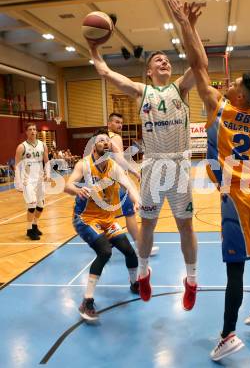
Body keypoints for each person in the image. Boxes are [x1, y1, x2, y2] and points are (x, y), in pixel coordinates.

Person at [168, 0, 250, 361]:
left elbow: (198, 66)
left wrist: (188, 25)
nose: (229, 86)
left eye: (235, 87)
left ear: (242, 95)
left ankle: (228, 334)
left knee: (234, 271)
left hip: (236, 199)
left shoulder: (221, 107)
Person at [88, 31, 202, 311]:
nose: (164, 62)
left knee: (185, 226)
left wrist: (190, 26)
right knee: (147, 224)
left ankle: (192, 281)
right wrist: (93, 48)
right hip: (152, 165)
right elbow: (104, 71)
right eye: (158, 60)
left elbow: (200, 63)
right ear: (149, 71)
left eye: (166, 60)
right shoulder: (142, 92)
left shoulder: (180, 89)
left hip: (178, 165)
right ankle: (143, 272)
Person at [65, 129, 141, 321]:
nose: (105, 143)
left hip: (107, 220)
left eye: (107, 141)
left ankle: (134, 284)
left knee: (129, 252)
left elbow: (129, 185)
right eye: (101, 141)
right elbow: (68, 185)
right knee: (105, 251)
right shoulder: (84, 165)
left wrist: (137, 200)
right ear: (94, 145)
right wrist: (76, 190)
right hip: (85, 218)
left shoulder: (113, 166)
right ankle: (86, 301)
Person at [107, 112, 159, 256]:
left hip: (106, 183)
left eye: (121, 122)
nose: (120, 125)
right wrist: (134, 173)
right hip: (116, 182)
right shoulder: (115, 138)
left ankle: (108, 241)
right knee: (130, 213)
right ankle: (141, 246)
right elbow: (120, 160)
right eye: (116, 122)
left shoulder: (102, 138)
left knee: (112, 215)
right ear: (109, 124)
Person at [14, 122, 49, 240]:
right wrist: (18, 183)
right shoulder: (22, 147)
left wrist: (47, 174)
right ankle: (29, 230)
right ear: (26, 132)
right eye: (30, 129)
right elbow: (17, 165)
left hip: (39, 178)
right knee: (32, 204)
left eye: (34, 129)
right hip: (27, 179)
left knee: (40, 205)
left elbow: (47, 161)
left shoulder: (43, 145)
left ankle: (34, 225)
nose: (33, 131)